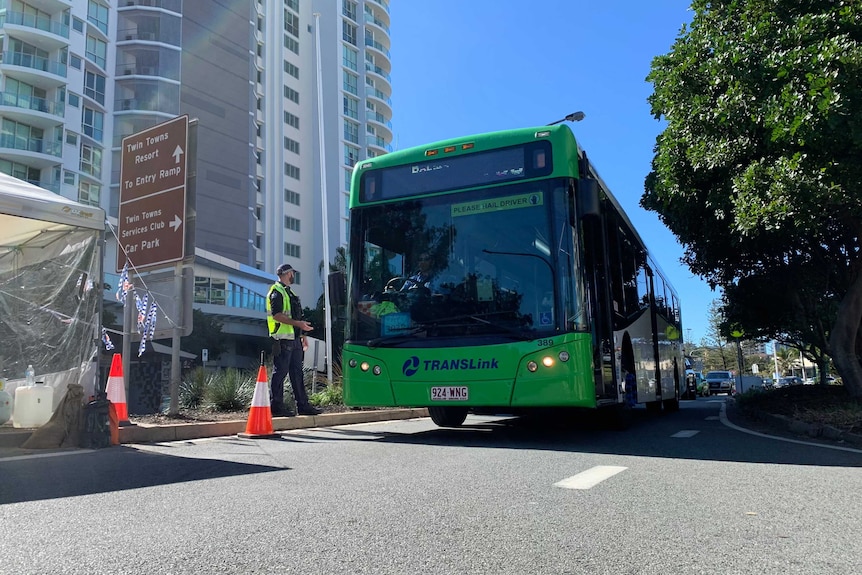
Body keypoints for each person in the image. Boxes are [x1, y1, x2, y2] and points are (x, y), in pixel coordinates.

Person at [266, 264, 321, 416]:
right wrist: (298, 325)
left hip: (294, 339)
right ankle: (276, 407)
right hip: (283, 339)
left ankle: (303, 406)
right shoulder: (276, 292)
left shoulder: (289, 292)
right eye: (292, 273)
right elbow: (277, 315)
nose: (293, 275)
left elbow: (296, 315)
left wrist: (302, 336)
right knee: (280, 373)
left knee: (297, 373)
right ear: (286, 273)